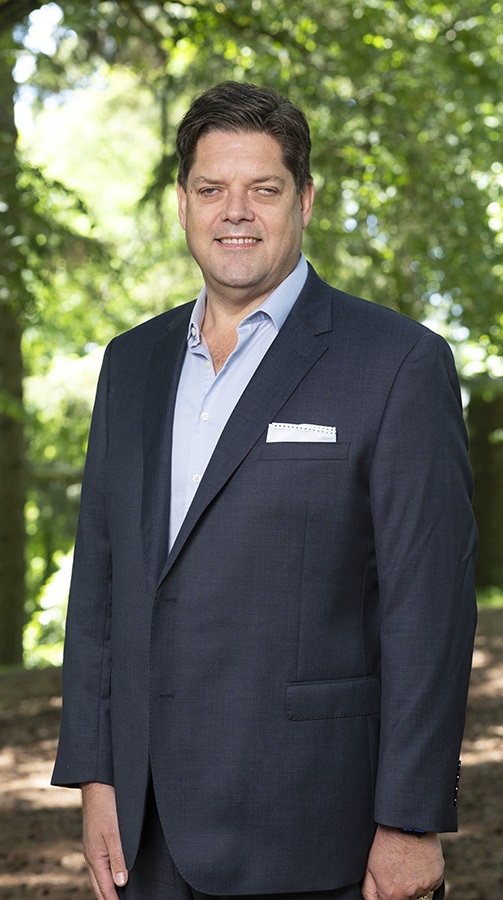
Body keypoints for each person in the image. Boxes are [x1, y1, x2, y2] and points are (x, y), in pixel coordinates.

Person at [52, 81, 477, 900]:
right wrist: (95, 776)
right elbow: (99, 590)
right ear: (183, 203)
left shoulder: (397, 363)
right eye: (211, 189)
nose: (234, 211)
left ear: (306, 199)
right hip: (147, 828)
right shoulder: (130, 365)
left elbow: (429, 610)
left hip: (320, 828)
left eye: (264, 189)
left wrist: (412, 821)